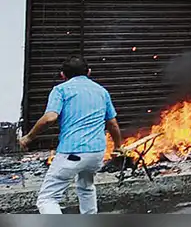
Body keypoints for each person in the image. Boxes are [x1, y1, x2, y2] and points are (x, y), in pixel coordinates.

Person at [19, 56, 122, 215]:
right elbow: (113, 124)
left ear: (62, 75)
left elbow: (50, 118)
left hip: (72, 151)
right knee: (86, 187)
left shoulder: (61, 90)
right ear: (89, 72)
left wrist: (28, 138)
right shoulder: (101, 91)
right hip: (97, 152)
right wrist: (117, 147)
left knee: (47, 199)